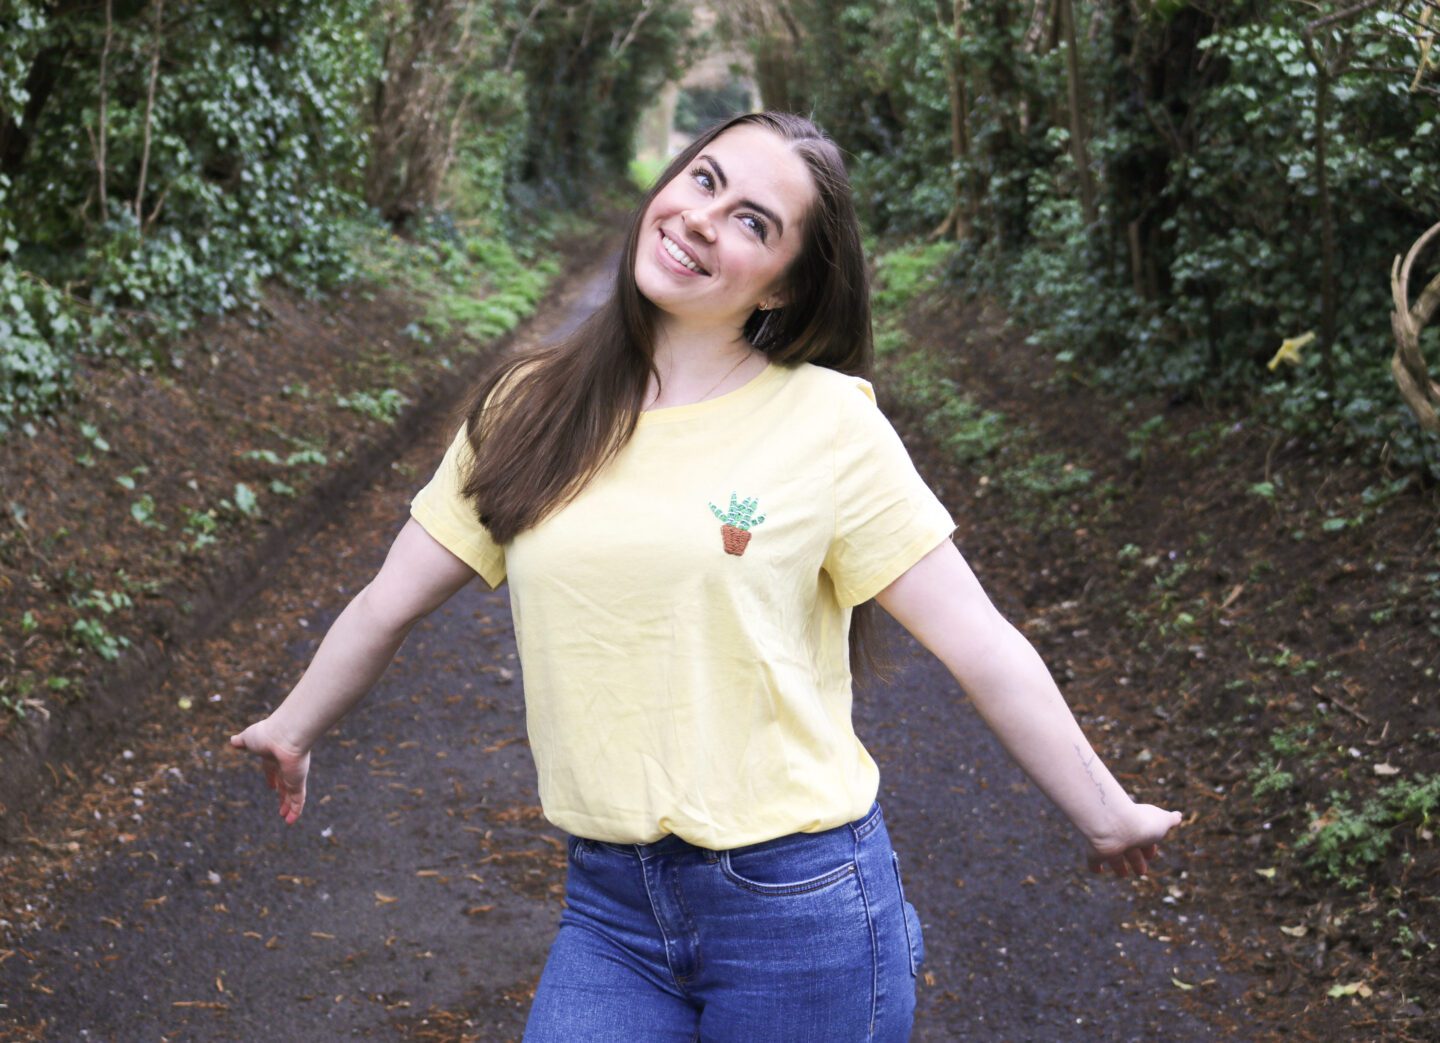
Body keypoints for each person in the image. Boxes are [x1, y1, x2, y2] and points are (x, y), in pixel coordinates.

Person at [229, 111, 1182, 1041]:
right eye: (704, 180)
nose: (702, 219)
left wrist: (1106, 812)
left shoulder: (829, 424)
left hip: (802, 908)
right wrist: (294, 725)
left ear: (783, 286)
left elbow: (980, 642)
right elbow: (387, 600)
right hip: (610, 905)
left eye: (752, 222)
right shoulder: (529, 406)